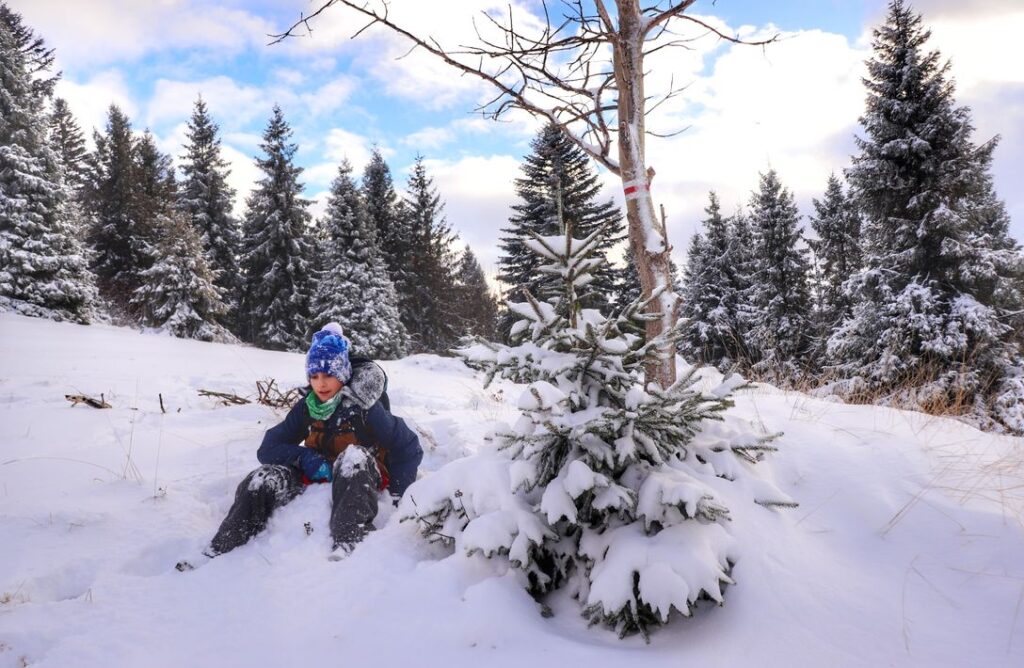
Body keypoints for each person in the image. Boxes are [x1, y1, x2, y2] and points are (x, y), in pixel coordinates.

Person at [179, 323, 422, 568]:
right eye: (314, 376)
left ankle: (349, 542)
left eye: (329, 375)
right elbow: (269, 447)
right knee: (262, 478)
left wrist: (398, 498)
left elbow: (408, 446)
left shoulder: (365, 408)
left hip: (359, 475)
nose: (321, 384)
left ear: (343, 375)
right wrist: (304, 458)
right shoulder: (308, 406)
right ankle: (221, 546)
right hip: (315, 473)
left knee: (353, 457)